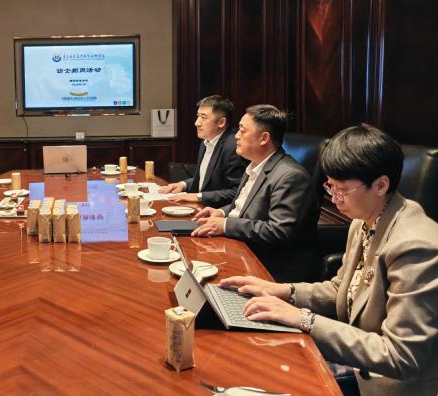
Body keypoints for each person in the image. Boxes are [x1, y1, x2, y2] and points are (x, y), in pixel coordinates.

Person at [219, 124, 438, 395]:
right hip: (356, 358)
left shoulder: (416, 246)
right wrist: (283, 291)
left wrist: (305, 320)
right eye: (330, 187)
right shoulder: (363, 220)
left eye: (342, 189)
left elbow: (400, 356)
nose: (334, 199)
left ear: (381, 185)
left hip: (384, 383)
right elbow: (341, 289)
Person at [191, 104, 318, 282]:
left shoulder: (290, 176)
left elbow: (279, 231)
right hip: (239, 248)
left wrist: (226, 225)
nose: (236, 136)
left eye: (242, 131)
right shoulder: (255, 164)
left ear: (264, 138)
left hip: (267, 266)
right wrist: (220, 212)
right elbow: (245, 206)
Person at [158, 95, 247, 208]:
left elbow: (237, 192)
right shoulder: (206, 141)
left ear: (221, 122)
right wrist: (183, 185)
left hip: (218, 213)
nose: (197, 123)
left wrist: (199, 196)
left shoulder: (233, 147)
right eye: (198, 116)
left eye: (203, 117)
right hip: (201, 208)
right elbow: (204, 180)